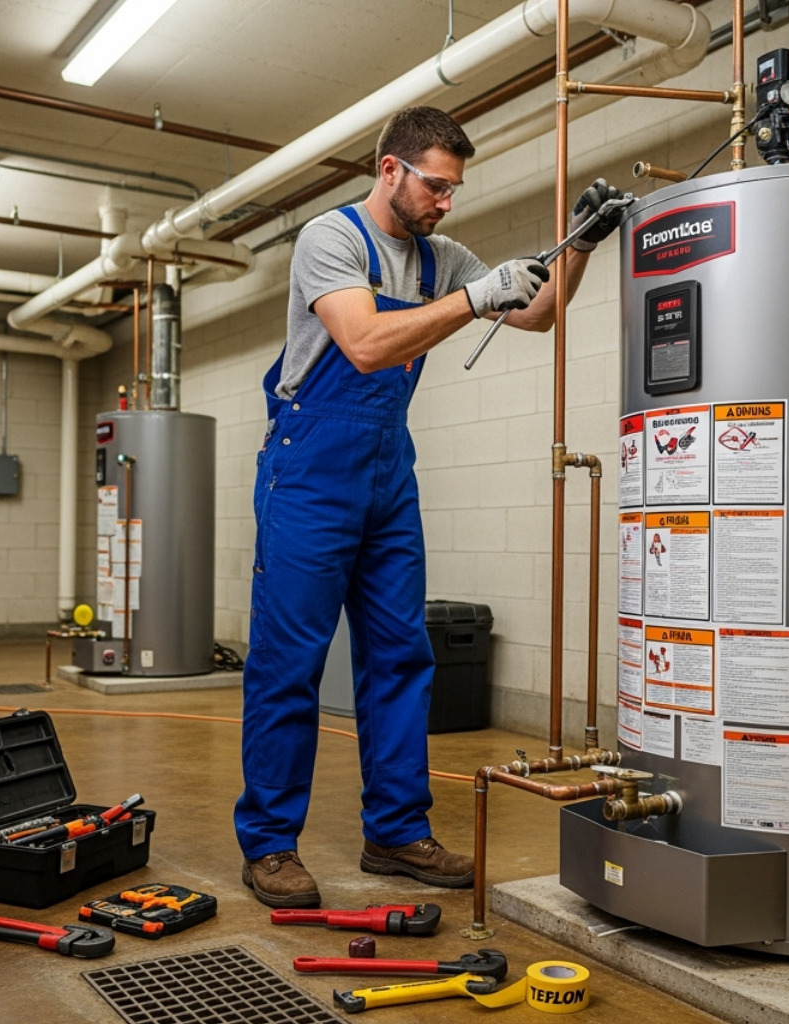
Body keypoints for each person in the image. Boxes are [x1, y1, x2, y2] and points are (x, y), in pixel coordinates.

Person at [236, 105, 629, 908]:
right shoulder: (331, 239)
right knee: (290, 663)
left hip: (386, 471)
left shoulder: (439, 256)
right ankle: (271, 846)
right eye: (436, 186)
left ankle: (397, 831)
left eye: (454, 189)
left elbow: (542, 312)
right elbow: (367, 344)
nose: (446, 202)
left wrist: (579, 244)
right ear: (390, 170)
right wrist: (475, 298)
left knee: (400, 655)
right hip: (308, 468)